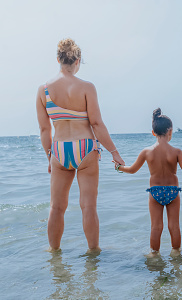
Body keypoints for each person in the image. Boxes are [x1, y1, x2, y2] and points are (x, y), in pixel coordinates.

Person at [36, 38, 125, 252]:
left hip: (59, 149)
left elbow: (44, 130)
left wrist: (51, 157)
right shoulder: (86, 87)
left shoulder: (44, 90)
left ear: (58, 59)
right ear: (78, 61)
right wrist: (115, 153)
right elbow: (96, 123)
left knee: (56, 208)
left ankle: (54, 254)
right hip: (85, 148)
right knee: (88, 206)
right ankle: (93, 253)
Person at [115, 108, 182, 254]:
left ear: (153, 132)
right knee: (174, 226)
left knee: (156, 227)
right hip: (173, 192)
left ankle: (154, 255)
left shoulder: (146, 152)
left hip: (155, 192)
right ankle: (176, 254)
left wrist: (119, 167)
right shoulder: (177, 152)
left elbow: (132, 170)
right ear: (170, 131)